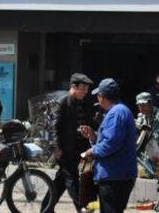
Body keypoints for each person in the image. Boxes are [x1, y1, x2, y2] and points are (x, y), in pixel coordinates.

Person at [83, 78, 138, 213]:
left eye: (98, 95)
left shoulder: (116, 113)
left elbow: (111, 143)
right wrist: (94, 137)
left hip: (114, 175)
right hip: (118, 174)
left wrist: (92, 151)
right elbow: (112, 140)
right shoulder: (119, 111)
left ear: (102, 97)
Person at [43, 73, 95, 212]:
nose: (85, 92)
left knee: (61, 181)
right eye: (83, 88)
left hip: (76, 148)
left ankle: (45, 208)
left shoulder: (80, 102)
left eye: (87, 89)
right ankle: (82, 208)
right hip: (65, 149)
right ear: (73, 86)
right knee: (72, 179)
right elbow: (54, 126)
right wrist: (56, 147)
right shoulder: (63, 102)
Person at [135, 92, 159, 177]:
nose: (141, 107)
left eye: (143, 104)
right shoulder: (142, 116)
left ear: (150, 103)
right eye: (139, 105)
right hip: (146, 154)